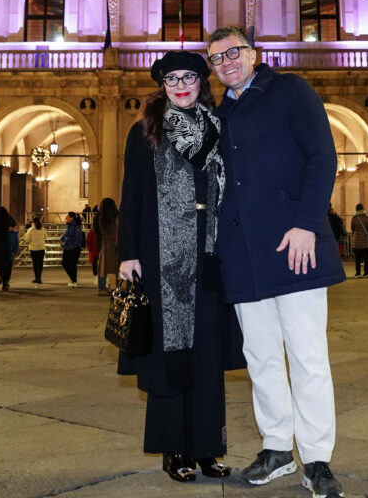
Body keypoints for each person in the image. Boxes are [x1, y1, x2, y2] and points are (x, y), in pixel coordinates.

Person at [207, 27, 345, 498]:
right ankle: (276, 447)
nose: (225, 62)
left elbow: (322, 156)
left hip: (294, 244)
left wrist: (307, 222)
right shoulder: (219, 112)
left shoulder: (290, 90)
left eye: (233, 52)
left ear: (253, 54)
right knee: (261, 357)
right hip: (243, 252)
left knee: (308, 356)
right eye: (215, 58)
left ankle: (318, 458)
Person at [117, 50, 244, 483]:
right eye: (172, 79)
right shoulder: (146, 132)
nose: (182, 85)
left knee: (205, 353)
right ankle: (174, 450)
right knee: (170, 352)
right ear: (163, 87)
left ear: (201, 82)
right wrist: (127, 254)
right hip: (160, 257)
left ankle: (208, 448)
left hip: (209, 255)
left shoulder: (218, 129)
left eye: (189, 77)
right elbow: (130, 194)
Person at [0, 206, 18, 291]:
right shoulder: (6, 221)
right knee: (4, 265)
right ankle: (5, 284)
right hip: (5, 245)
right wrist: (8, 215)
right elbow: (14, 223)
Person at [95, 197, 119, 294]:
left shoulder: (99, 217)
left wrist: (98, 247)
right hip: (117, 244)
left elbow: (97, 233)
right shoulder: (117, 216)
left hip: (104, 244)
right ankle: (118, 287)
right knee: (117, 266)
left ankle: (102, 288)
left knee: (103, 268)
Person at [60, 211, 84, 286]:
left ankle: (74, 280)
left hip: (74, 249)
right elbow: (66, 235)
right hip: (67, 247)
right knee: (64, 264)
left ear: (71, 218)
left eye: (67, 216)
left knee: (72, 265)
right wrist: (61, 239)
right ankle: (72, 279)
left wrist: (70, 247)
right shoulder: (67, 225)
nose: (65, 218)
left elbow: (78, 240)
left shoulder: (77, 227)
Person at [349, 204, 368, 278]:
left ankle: (358, 273)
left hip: (357, 242)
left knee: (358, 259)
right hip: (365, 242)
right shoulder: (367, 218)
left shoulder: (354, 218)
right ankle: (366, 272)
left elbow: (352, 228)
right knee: (367, 258)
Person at [25, 217, 45, 285]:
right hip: (41, 248)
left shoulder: (30, 230)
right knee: (40, 263)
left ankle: (37, 278)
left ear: (33, 222)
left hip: (33, 249)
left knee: (35, 263)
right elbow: (46, 237)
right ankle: (39, 278)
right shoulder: (43, 229)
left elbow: (27, 240)